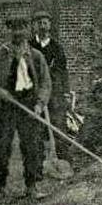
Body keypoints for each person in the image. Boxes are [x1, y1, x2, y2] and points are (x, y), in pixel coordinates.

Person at [0, 15, 52, 199]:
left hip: (29, 105)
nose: (18, 33)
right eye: (13, 29)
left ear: (28, 30)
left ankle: (32, 187)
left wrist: (39, 104)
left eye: (22, 28)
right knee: (1, 147)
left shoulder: (36, 56)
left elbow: (45, 83)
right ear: (7, 31)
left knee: (32, 147)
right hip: (4, 107)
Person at [31, 11, 71, 162]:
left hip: (55, 92)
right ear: (34, 26)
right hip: (35, 93)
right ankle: (38, 162)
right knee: (36, 126)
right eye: (39, 22)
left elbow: (63, 71)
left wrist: (66, 92)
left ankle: (64, 159)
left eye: (45, 23)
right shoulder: (29, 47)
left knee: (58, 123)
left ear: (50, 25)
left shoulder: (56, 47)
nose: (42, 26)